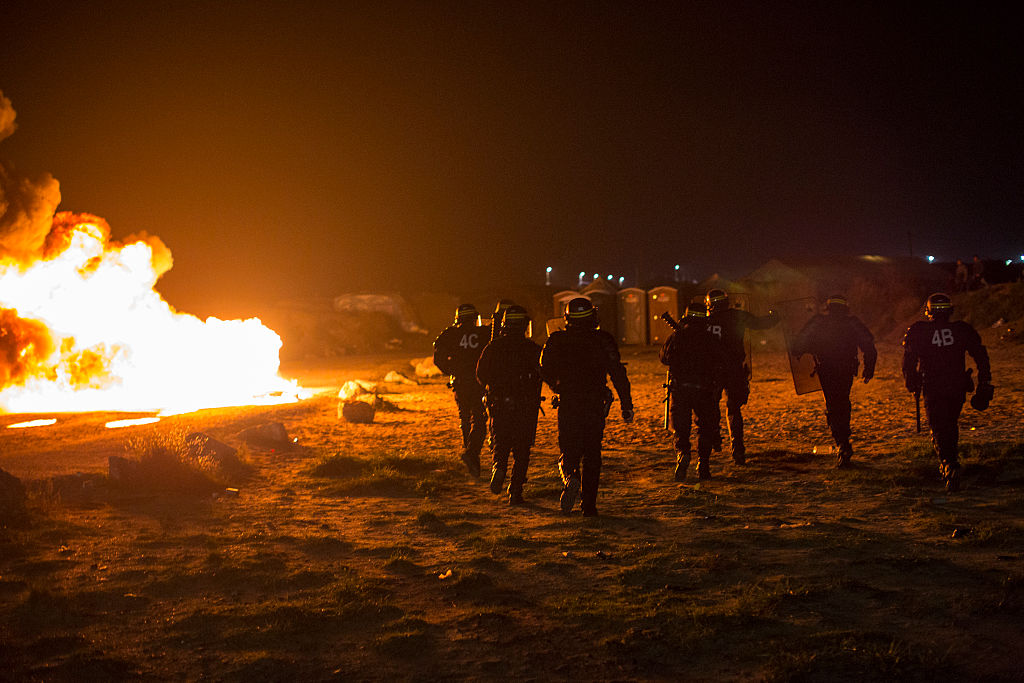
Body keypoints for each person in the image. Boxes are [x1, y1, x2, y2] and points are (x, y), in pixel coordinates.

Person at [540, 297, 633, 516]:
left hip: (569, 402)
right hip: (594, 404)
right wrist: (626, 404)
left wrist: (555, 384)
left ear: (567, 317)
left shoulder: (556, 339)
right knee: (592, 454)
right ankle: (589, 506)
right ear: (592, 316)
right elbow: (618, 373)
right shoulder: (604, 339)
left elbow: (543, 368)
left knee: (568, 449)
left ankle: (571, 476)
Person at [902, 293, 993, 492]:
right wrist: (984, 380)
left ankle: (949, 464)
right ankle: (950, 460)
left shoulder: (919, 331)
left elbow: (908, 360)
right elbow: (981, 355)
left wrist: (912, 381)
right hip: (957, 385)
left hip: (933, 385)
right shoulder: (962, 330)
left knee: (939, 425)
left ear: (929, 311)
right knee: (950, 423)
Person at [791, 294, 877, 468]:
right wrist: (869, 369)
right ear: (845, 308)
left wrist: (808, 348)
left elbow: (797, 344)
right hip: (846, 369)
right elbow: (869, 346)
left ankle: (842, 443)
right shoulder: (852, 323)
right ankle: (843, 442)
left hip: (827, 369)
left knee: (833, 404)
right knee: (842, 402)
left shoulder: (818, 322)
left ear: (828, 308)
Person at [475, 305, 543, 505]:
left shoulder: (493, 347)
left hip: (499, 403)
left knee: (500, 442)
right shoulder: (533, 349)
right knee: (522, 451)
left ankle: (499, 467)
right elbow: (545, 372)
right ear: (525, 325)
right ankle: (515, 491)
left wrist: (494, 386)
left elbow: (480, 375)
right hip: (526, 406)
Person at [703, 288, 779, 465]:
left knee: (710, 407)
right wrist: (774, 315)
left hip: (712, 371)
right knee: (734, 409)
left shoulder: (706, 321)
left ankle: (714, 439)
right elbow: (761, 323)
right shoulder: (737, 316)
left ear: (709, 304)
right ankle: (738, 450)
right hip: (735, 369)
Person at [660, 301, 725, 481]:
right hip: (705, 390)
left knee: (681, 428)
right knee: (705, 428)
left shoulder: (677, 337)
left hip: (681, 389)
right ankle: (703, 464)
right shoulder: (711, 339)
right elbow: (720, 361)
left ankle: (682, 454)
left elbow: (664, 358)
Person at [432, 303, 490, 478]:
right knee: (479, 419)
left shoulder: (450, 334)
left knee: (465, 417)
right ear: (474, 318)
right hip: (479, 382)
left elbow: (438, 358)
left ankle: (470, 452)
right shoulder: (484, 333)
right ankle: (472, 453)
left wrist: (451, 371)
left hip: (460, 383)